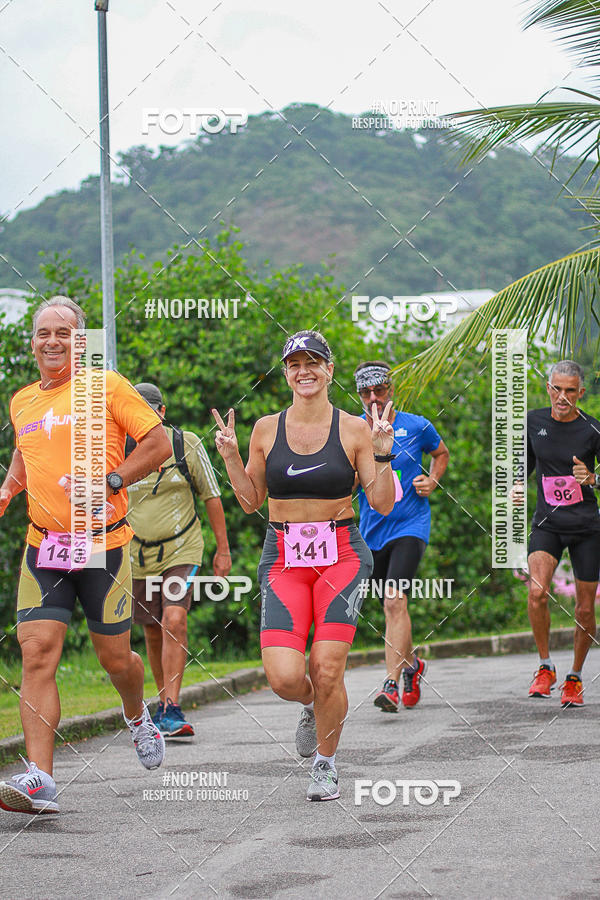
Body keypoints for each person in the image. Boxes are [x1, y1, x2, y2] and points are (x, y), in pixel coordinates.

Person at [0, 296, 172, 815]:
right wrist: (7, 490)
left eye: (64, 333)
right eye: (43, 332)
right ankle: (40, 779)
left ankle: (136, 713)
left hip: (103, 545)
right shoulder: (21, 401)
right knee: (37, 652)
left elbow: (159, 444)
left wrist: (112, 481)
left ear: (81, 342)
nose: (52, 341)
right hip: (45, 547)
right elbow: (26, 454)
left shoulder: (107, 387)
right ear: (32, 341)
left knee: (115, 659)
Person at [212, 330, 395, 801]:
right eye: (295, 364)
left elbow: (382, 502)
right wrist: (230, 456)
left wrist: (382, 451)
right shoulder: (265, 429)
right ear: (286, 373)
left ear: (329, 370)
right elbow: (251, 501)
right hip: (283, 557)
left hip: (342, 556)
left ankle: (326, 764)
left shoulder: (355, 429)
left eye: (313, 362)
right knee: (285, 678)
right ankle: (313, 705)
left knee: (327, 667)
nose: (304, 371)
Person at [128, 382, 231, 738]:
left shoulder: (185, 443)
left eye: (150, 411)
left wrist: (223, 550)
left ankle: (172, 705)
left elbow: (211, 496)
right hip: (137, 554)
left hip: (181, 548)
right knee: (152, 627)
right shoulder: (119, 449)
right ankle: (162, 705)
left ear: (162, 412)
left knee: (174, 618)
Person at [353, 362, 449, 713]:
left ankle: (390, 684)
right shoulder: (353, 430)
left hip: (411, 524)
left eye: (379, 390)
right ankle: (413, 665)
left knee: (395, 602)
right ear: (359, 395)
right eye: (366, 393)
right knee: (390, 607)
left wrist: (432, 480)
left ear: (391, 390)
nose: (374, 398)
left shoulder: (417, 425)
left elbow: (441, 453)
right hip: (372, 530)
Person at [513, 360, 600, 707]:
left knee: (584, 610)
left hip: (586, 528)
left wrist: (592, 479)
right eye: (557, 389)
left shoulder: (592, 429)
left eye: (570, 391)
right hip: (547, 524)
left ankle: (574, 677)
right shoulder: (533, 422)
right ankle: (545, 667)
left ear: (581, 392)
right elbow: (523, 465)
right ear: (548, 388)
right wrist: (517, 485)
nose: (562, 397)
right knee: (537, 592)